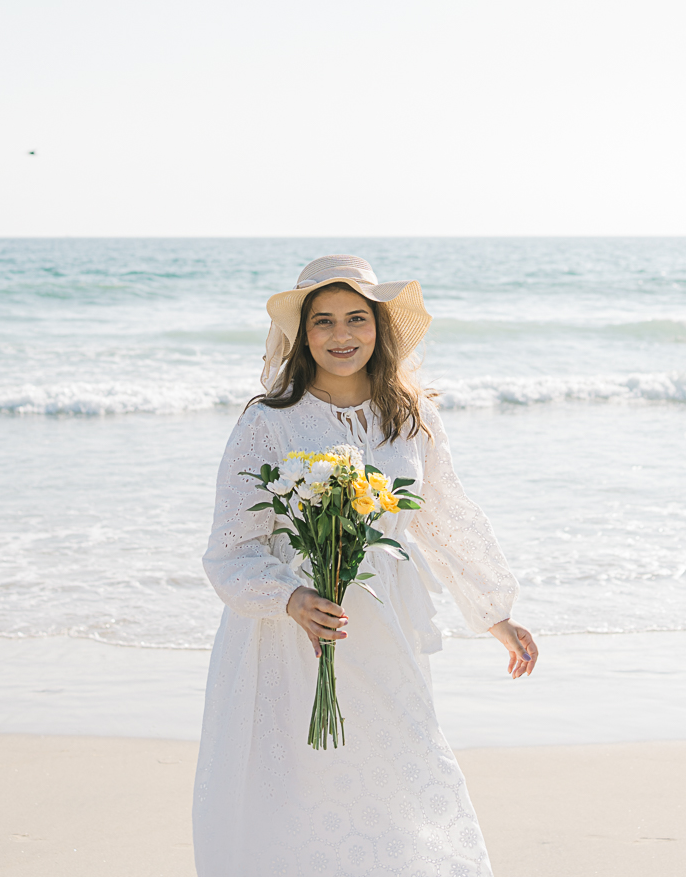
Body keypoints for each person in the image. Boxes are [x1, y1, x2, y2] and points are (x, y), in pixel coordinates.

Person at [193, 254, 538, 877]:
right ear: (302, 334)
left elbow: (443, 517)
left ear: (380, 327)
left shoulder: (412, 417)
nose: (341, 335)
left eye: (357, 318)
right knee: (295, 792)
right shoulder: (267, 422)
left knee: (404, 773)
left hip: (384, 629)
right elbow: (231, 546)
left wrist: (495, 612)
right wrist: (291, 600)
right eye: (322, 321)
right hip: (287, 634)